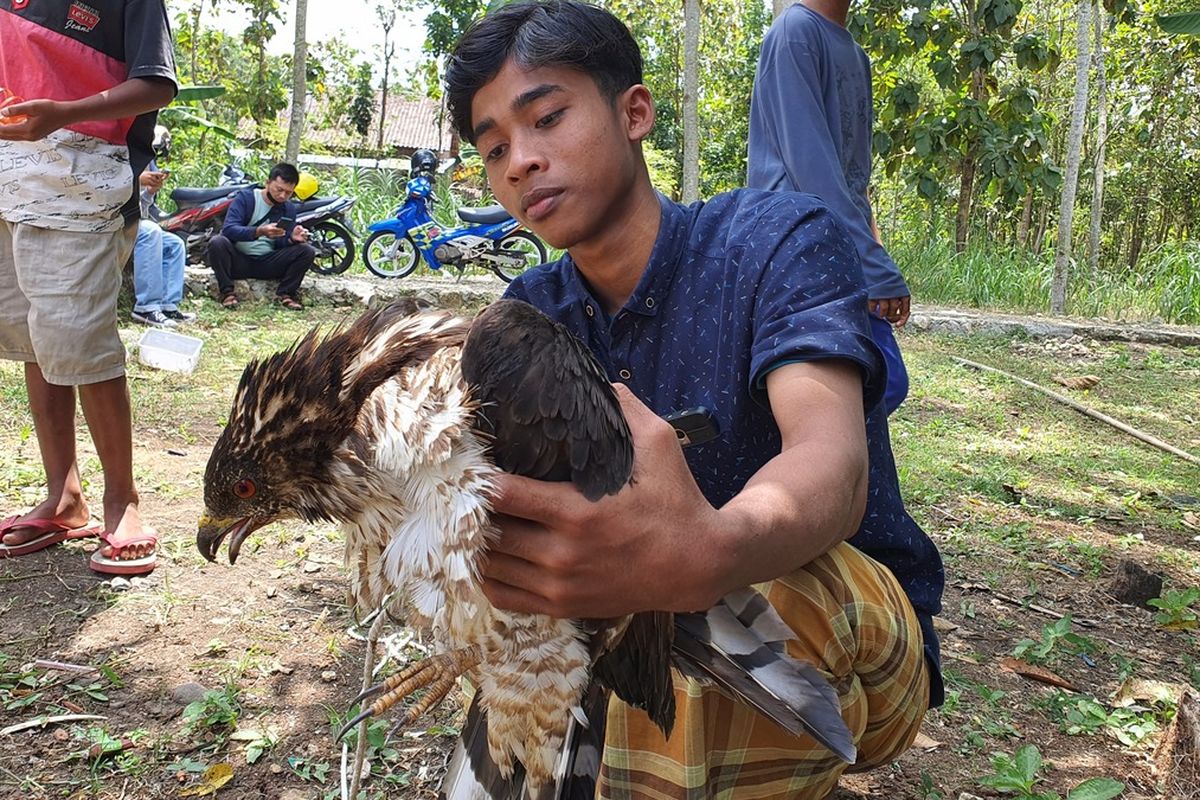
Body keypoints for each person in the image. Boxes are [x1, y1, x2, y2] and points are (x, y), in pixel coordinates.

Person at [444, 1, 944, 796]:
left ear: (634, 112)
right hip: (643, 633)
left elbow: (832, 463)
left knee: (717, 609)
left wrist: (708, 551)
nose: (521, 162)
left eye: (547, 118)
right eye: (495, 147)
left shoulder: (775, 241)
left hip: (843, 624)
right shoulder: (528, 317)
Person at [0, 0, 178, 575]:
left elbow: (156, 84)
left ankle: (122, 500)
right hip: (8, 181)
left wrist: (65, 113)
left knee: (81, 340)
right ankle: (63, 496)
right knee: (35, 340)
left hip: (82, 185)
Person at [748, 0, 912, 414]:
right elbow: (811, 166)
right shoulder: (795, 31)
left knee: (882, 384)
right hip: (796, 245)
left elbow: (855, 176)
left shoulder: (855, 54)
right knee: (871, 385)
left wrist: (874, 251)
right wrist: (871, 263)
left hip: (839, 243)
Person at [206, 162, 315, 310]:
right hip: (239, 260)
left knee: (306, 251)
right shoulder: (246, 198)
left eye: (288, 193)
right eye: (279, 190)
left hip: (268, 262)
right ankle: (227, 293)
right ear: (268, 183)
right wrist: (259, 231)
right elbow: (229, 230)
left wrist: (291, 239)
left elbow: (281, 243)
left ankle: (286, 294)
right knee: (217, 242)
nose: (282, 196)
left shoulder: (288, 208)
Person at [132, 163, 194, 328]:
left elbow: (139, 209)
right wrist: (135, 179)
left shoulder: (143, 158)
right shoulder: (114, 156)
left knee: (175, 244)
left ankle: (167, 306)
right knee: (151, 231)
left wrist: (150, 191)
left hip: (132, 223)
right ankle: (146, 307)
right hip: (110, 223)